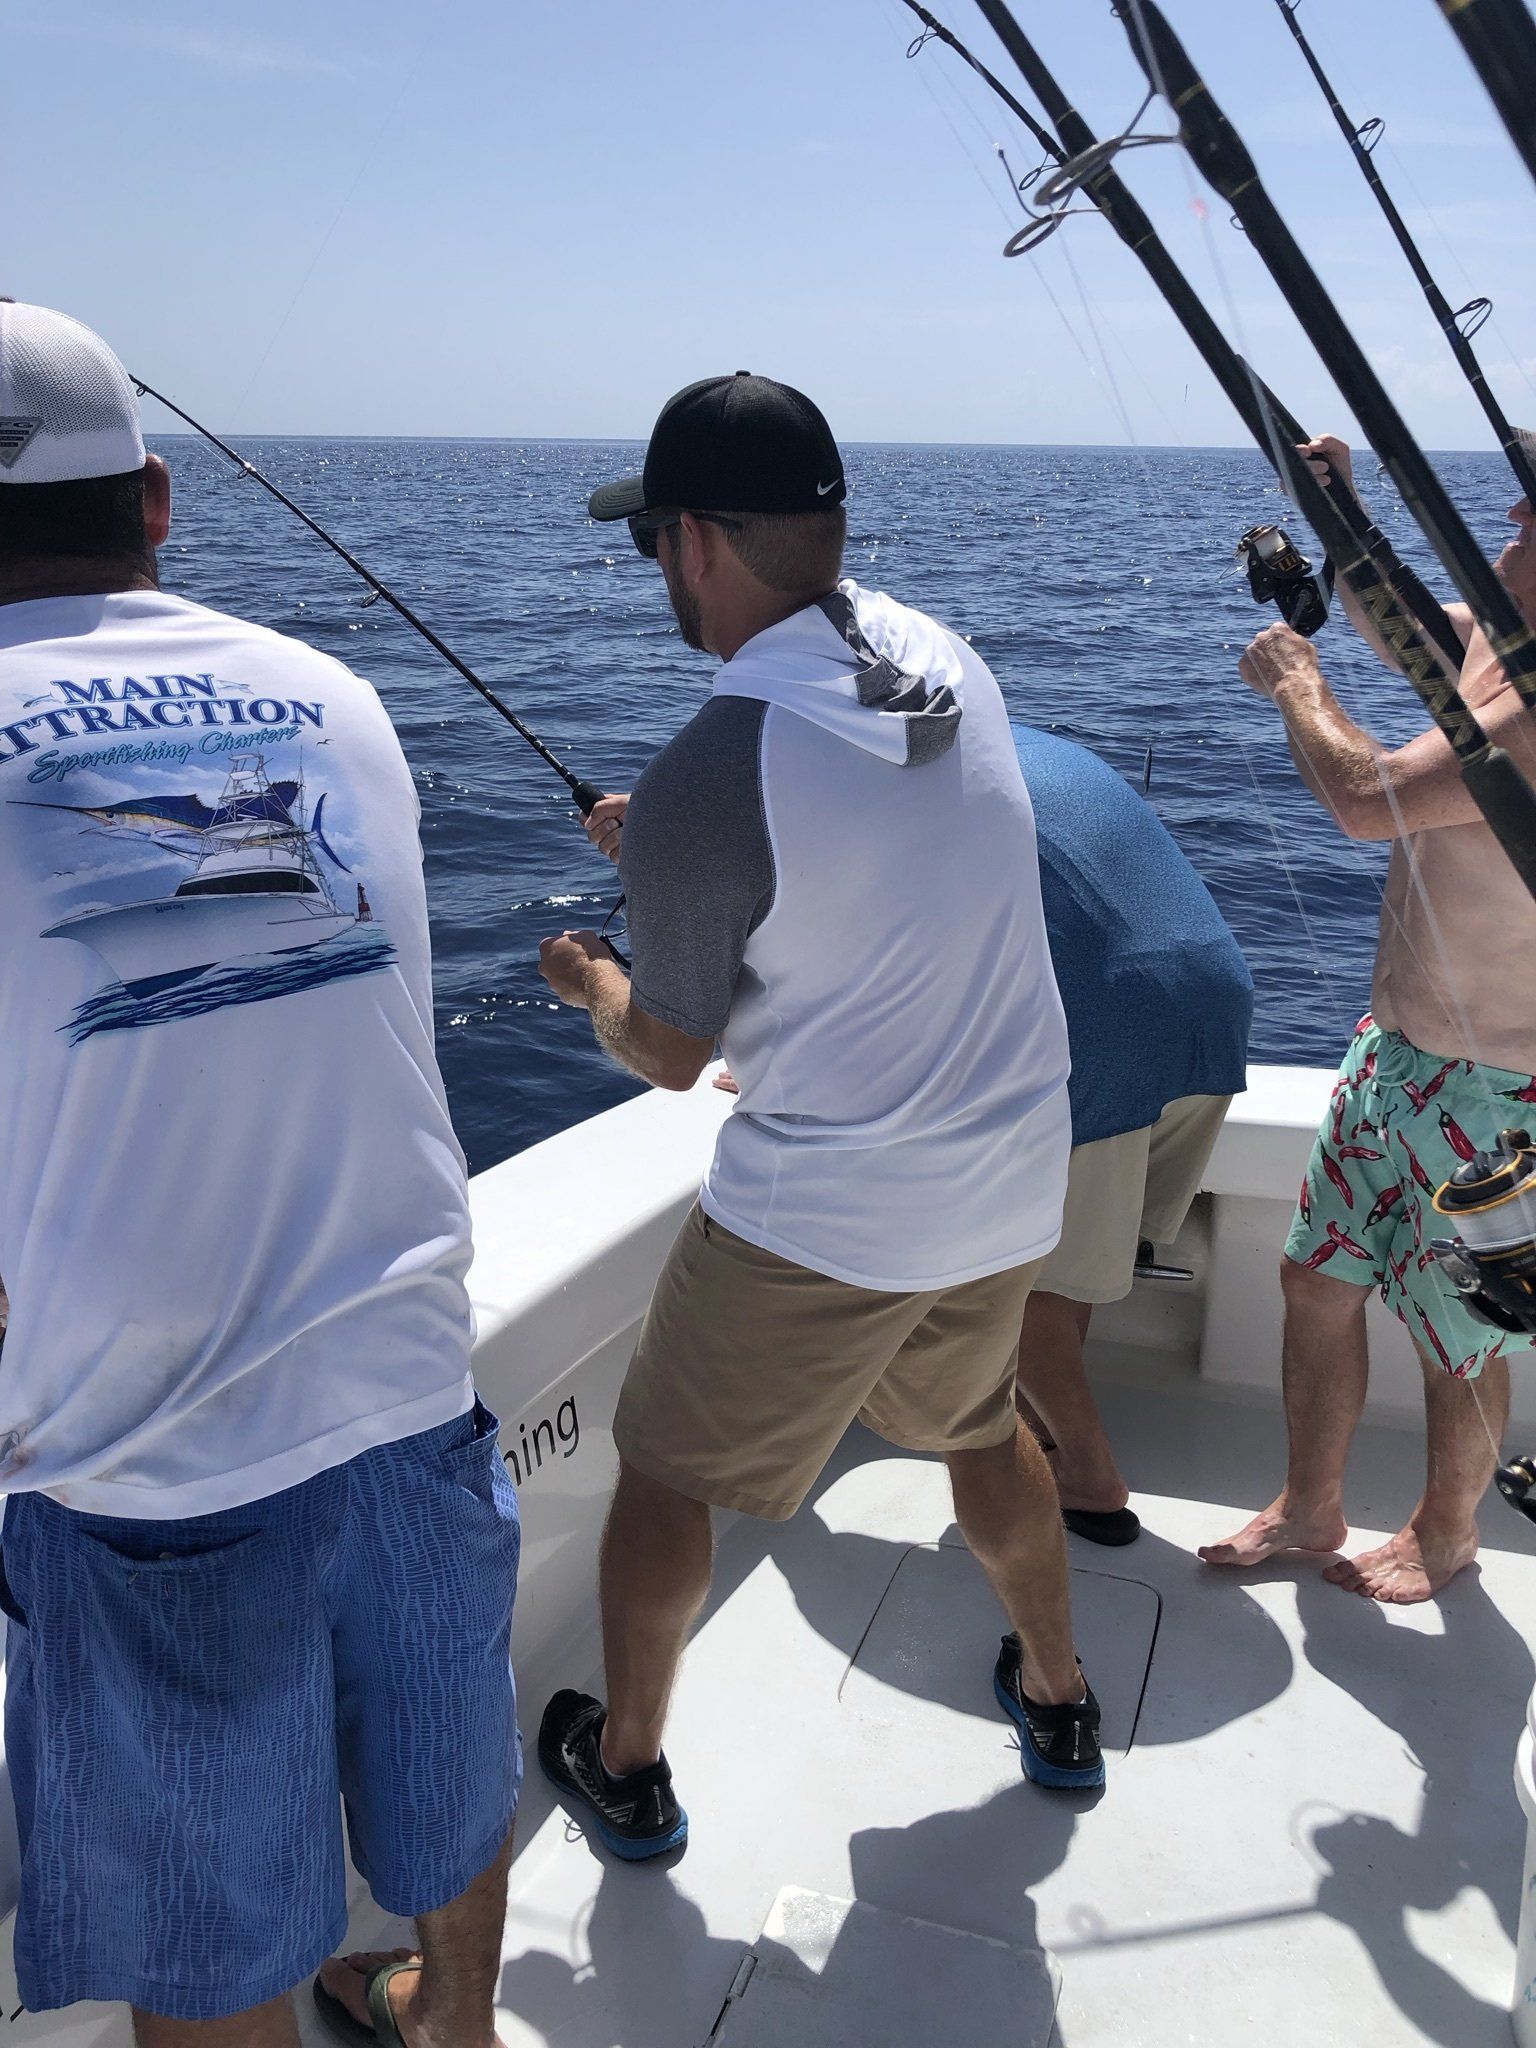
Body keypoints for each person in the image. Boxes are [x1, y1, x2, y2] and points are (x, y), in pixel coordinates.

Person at [0, 302, 520, 2048]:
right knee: (451, 1790)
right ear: (154, 497)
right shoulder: (335, 694)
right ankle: (454, 2023)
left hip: (148, 1467)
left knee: (215, 1953)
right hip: (414, 1390)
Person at [535, 371, 1101, 1855]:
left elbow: (671, 1051)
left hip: (827, 1217)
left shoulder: (709, 773)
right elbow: (857, 850)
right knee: (978, 1426)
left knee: (666, 1469)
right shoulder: (941, 655)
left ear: (696, 542)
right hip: (1008, 1174)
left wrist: (594, 976)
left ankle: (628, 1767)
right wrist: (671, 855)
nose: (655, 566)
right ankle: (1059, 1694)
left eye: (652, 538)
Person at [1202, 431, 1536, 1604]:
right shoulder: (1499, 642)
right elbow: (1399, 618)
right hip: (1389, 1051)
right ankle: (1311, 1503)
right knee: (1316, 1279)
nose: (1510, 517)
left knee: (1460, 1334)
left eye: (1534, 508)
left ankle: (1448, 1531)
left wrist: (1299, 685)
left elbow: (1366, 798)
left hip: (1496, 1093)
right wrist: (1335, 508)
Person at [1009, 725, 1252, 1545]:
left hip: (1108, 1030)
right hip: (1212, 1004)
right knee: (1073, 1262)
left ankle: (1088, 1473)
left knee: (1017, 1282)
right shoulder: (1038, 749)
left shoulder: (903, 776)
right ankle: (1037, 1422)